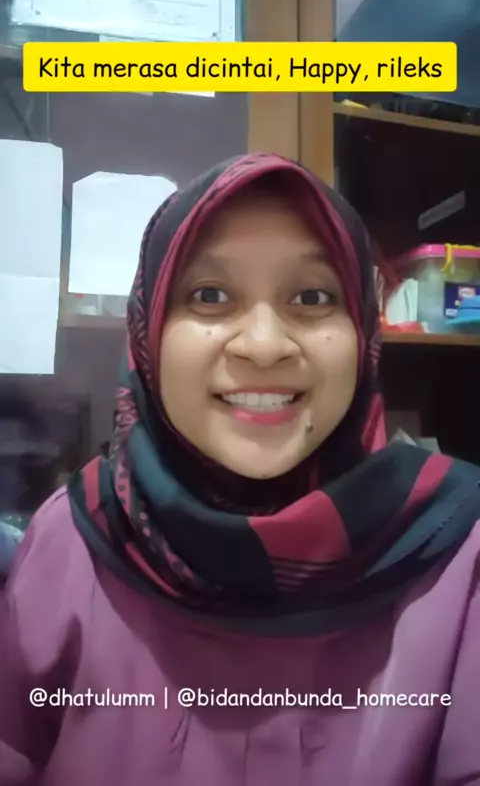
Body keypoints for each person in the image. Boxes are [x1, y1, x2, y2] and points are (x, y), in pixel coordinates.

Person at [1, 153, 480, 786]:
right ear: (148, 332)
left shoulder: (460, 553)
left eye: (312, 297)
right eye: (209, 295)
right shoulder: (73, 538)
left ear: (363, 331)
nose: (263, 344)